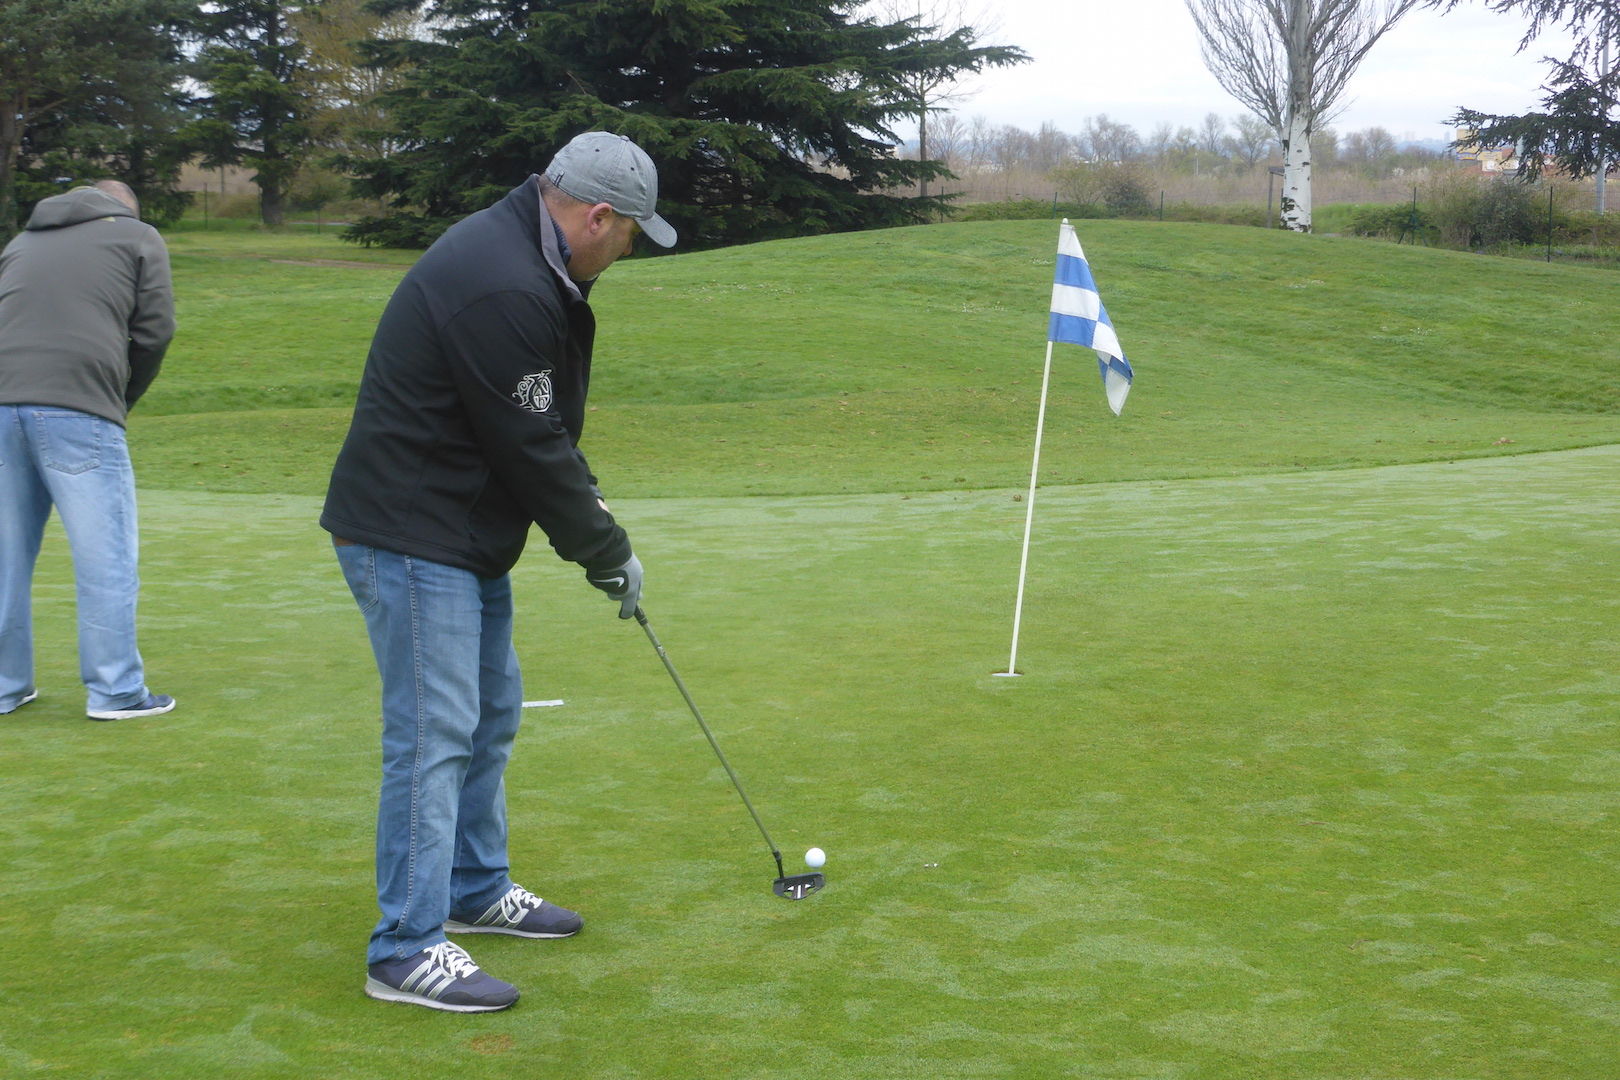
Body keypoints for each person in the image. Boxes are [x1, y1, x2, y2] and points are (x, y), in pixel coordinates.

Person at [322, 131, 677, 1012]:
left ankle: (474, 887)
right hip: (411, 532)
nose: (630, 247)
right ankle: (403, 948)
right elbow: (527, 443)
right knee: (436, 732)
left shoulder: (531, 259)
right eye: (631, 230)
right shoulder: (505, 282)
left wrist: (594, 524)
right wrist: (604, 547)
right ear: (597, 216)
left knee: (490, 711)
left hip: (460, 529)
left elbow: (541, 432)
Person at [0, 180, 177, 721]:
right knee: (107, 557)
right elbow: (155, 331)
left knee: (3, 557)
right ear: (126, 209)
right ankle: (116, 691)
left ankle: (5, 685)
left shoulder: (19, 243)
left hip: (1, 405)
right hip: (79, 407)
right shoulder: (139, 236)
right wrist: (120, 399)